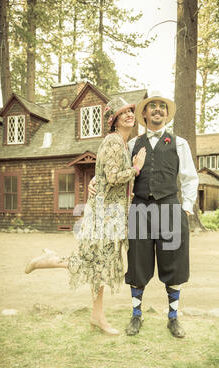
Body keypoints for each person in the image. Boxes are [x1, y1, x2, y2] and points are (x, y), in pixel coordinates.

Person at [25, 96, 146, 336]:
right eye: (123, 113)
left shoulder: (122, 143)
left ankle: (96, 316)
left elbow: (104, 176)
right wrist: (136, 168)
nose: (129, 115)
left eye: (131, 111)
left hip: (112, 215)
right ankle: (47, 261)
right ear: (114, 120)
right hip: (103, 215)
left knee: (99, 266)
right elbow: (112, 177)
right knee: (93, 263)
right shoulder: (113, 141)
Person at [89, 91, 199, 338]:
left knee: (174, 263)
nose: (158, 110)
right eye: (153, 107)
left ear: (167, 114)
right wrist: (95, 180)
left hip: (171, 208)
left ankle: (173, 318)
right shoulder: (131, 144)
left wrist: (187, 206)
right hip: (139, 210)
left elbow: (190, 177)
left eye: (162, 107)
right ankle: (136, 316)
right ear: (145, 114)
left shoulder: (179, 143)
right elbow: (113, 167)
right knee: (138, 264)